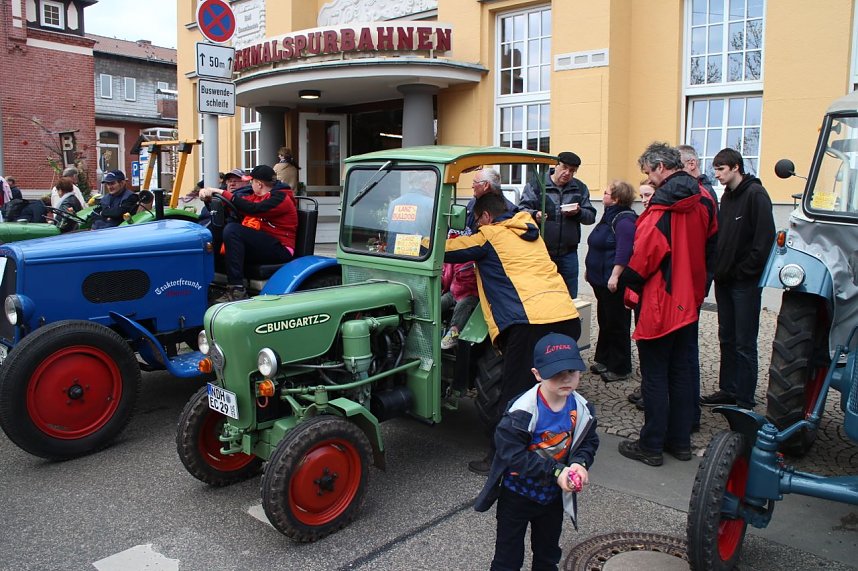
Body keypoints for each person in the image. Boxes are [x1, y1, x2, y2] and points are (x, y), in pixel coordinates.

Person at [446, 193, 581, 474]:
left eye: (476, 221)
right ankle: (556, 448)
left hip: (530, 323)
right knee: (554, 388)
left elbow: (445, 249)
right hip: (566, 317)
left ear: (485, 217)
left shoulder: (490, 235)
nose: (475, 226)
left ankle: (501, 458)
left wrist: (407, 241)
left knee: (514, 395)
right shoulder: (531, 232)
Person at [617, 142, 717, 467]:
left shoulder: (660, 210)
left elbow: (645, 256)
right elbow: (712, 246)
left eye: (648, 172)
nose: (649, 178)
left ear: (660, 167)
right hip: (689, 299)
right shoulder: (704, 201)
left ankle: (651, 445)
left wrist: (627, 282)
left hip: (661, 300)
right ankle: (680, 441)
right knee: (682, 371)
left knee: (655, 375)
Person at [475, 333, 598, 571]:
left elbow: (588, 441)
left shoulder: (582, 409)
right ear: (537, 374)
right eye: (555, 373)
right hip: (517, 495)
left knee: (548, 554)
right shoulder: (522, 411)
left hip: (552, 496)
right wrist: (556, 471)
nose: (566, 379)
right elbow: (512, 454)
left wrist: (580, 463)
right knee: (507, 559)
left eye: (572, 371)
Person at [700, 148, 775, 409]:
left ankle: (744, 398)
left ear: (735, 167)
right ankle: (728, 388)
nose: (717, 174)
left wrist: (744, 272)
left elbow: (764, 241)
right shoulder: (728, 196)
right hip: (725, 280)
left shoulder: (756, 195)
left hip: (744, 283)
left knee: (744, 342)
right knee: (727, 337)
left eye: (720, 169)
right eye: (715, 169)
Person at [199, 164, 298, 302]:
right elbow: (237, 204)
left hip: (281, 248)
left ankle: (237, 289)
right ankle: (203, 280)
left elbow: (253, 209)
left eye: (251, 181)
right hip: (264, 245)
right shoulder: (256, 196)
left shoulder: (281, 198)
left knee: (233, 230)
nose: (250, 184)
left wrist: (220, 192)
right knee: (218, 228)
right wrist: (210, 198)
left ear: (259, 184)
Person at [519, 151, 596, 299]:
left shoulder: (580, 188)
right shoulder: (537, 184)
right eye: (564, 167)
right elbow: (521, 212)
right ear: (556, 165)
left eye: (572, 170)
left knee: (569, 296)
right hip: (542, 252)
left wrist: (579, 213)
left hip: (569, 253)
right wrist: (535, 215)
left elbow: (591, 217)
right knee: (541, 294)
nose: (567, 173)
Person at [585, 180, 637, 382]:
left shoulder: (623, 221)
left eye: (606, 193)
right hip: (600, 280)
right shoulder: (608, 216)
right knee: (605, 320)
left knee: (617, 322)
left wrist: (615, 275)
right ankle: (605, 358)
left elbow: (624, 251)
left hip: (614, 282)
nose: (603, 195)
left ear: (615, 198)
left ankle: (620, 366)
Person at [386, 170, 436, 256]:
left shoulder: (394, 203)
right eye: (432, 184)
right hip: (420, 259)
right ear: (425, 184)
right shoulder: (431, 204)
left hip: (393, 257)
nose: (433, 187)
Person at [440, 260, 479, 349]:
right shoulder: (454, 258)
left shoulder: (476, 260)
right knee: (439, 303)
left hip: (471, 293)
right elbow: (447, 276)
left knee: (462, 306)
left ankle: (454, 334)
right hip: (454, 292)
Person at [466, 168, 517, 232]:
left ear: (486, 185)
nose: (472, 186)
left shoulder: (509, 210)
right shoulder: (472, 203)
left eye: (475, 182)